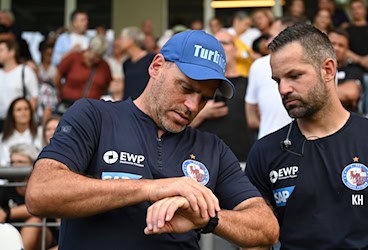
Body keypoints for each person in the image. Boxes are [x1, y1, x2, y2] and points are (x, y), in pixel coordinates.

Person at [25, 30, 279, 249]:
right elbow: (41, 192)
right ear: (156, 66)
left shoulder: (212, 148)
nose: (192, 105)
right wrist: (151, 188)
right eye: (186, 88)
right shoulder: (95, 116)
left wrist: (208, 218)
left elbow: (266, 227)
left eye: (204, 98)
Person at [245, 23, 368, 249]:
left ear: (328, 70)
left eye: (294, 75)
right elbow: (255, 243)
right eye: (278, 80)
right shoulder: (265, 152)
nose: (283, 89)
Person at [190, 30, 254, 162]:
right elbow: (178, 126)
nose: (220, 48)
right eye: (215, 44)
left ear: (236, 50)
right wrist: (203, 113)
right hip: (202, 160)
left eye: (224, 43)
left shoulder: (250, 83)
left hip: (241, 159)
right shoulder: (197, 83)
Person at [245, 17, 295, 140]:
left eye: (272, 36)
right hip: (268, 144)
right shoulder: (258, 65)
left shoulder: (259, 65)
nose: (268, 43)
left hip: (269, 142)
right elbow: (251, 119)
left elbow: (252, 118)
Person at [0, 143, 56, 250]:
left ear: (32, 163)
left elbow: (38, 206)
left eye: (20, 162)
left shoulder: (41, 184)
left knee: (33, 222)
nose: (15, 166)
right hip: (11, 232)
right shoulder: (6, 187)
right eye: (12, 162)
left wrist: (7, 212)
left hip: (44, 234)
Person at [53, 35, 112, 114]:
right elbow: (57, 77)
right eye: (95, 55)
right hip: (69, 103)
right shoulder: (73, 58)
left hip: (92, 108)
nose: (97, 59)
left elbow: (107, 85)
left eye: (100, 56)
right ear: (89, 49)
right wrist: (61, 92)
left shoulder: (104, 66)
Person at [0, 39, 39, 133]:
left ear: (11, 52)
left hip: (18, 123)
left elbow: (34, 98)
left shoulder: (25, 71)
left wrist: (24, 120)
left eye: (1, 50)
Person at [0, 98, 42, 166]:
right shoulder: (3, 138)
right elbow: (3, 163)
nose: (23, 112)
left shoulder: (41, 133)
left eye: (26, 109)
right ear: (12, 114)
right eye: (19, 110)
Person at [328, 28, 362, 111]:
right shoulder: (316, 69)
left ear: (347, 50)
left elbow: (350, 93)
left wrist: (318, 94)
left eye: (341, 45)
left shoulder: (354, 70)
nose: (336, 48)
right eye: (333, 44)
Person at [119, 26, 155, 100]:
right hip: (128, 107)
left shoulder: (151, 59)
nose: (119, 41)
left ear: (131, 40)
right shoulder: (126, 63)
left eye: (121, 38)